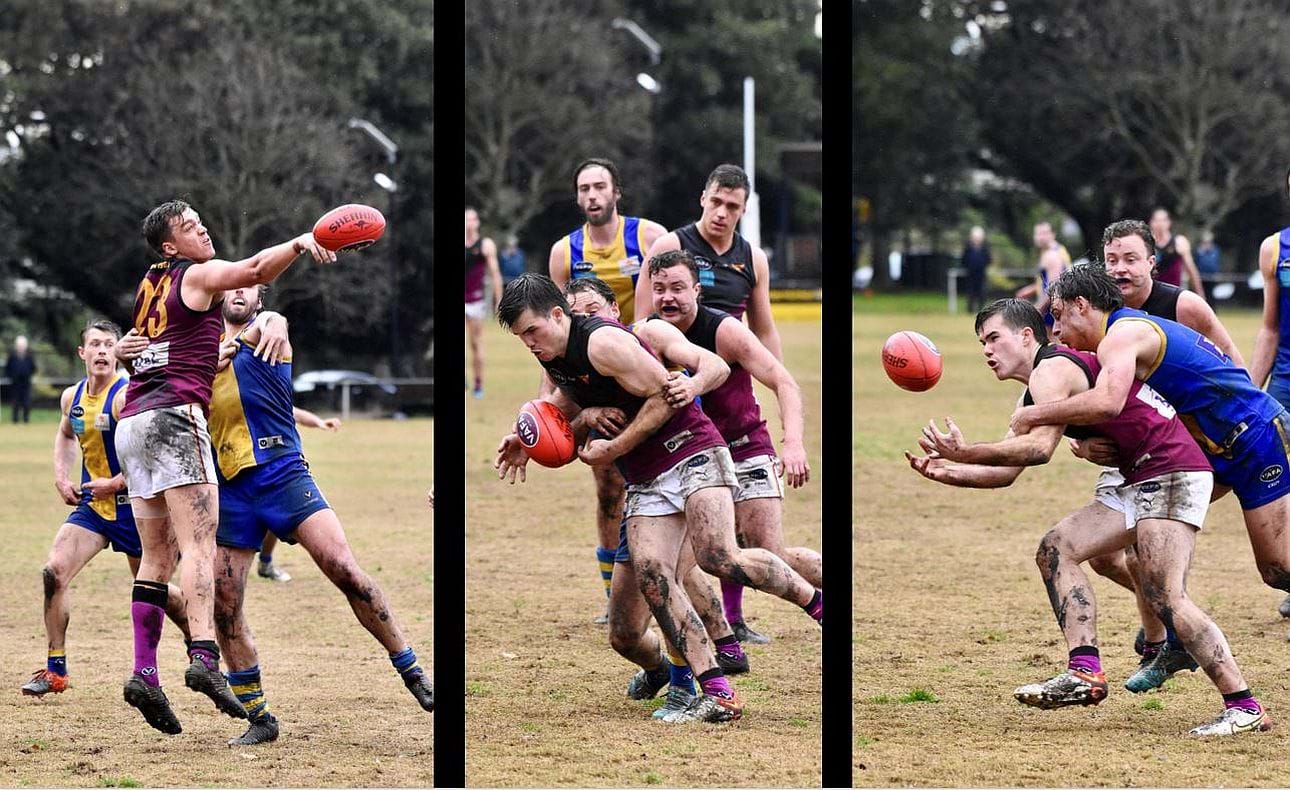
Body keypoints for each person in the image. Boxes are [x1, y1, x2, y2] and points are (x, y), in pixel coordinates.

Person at [909, 298, 1267, 737]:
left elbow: (1038, 450)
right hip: (1137, 475)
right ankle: (1085, 671)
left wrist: (965, 451)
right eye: (982, 342)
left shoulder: (1052, 368)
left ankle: (1244, 705)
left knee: (1166, 596)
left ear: (1027, 336)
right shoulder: (1036, 387)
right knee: (1057, 548)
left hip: (1172, 468)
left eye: (994, 338)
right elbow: (1005, 473)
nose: (987, 350)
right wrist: (949, 471)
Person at [494, 274, 822, 722]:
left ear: (557, 315)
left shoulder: (606, 343)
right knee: (654, 578)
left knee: (719, 556)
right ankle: (718, 693)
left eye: (532, 331)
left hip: (692, 451)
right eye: (520, 337)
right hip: (647, 478)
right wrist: (527, 443)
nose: (529, 343)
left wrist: (616, 446)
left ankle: (817, 604)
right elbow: (566, 417)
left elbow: (666, 397)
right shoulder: (556, 359)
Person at [119, 284, 433, 745]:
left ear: (261, 299)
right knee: (226, 606)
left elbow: (273, 326)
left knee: (344, 569)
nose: (240, 293)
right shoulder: (195, 349)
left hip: (283, 473)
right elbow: (154, 382)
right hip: (228, 487)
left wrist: (267, 325)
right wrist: (133, 354)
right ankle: (260, 717)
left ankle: (411, 669)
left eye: (251, 288)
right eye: (234, 287)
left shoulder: (268, 329)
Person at [113, 199, 334, 735]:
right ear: (172, 246)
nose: (202, 229)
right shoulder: (198, 275)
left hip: (133, 423)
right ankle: (206, 659)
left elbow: (158, 351)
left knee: (155, 558)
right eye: (190, 227)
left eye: (201, 221)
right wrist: (302, 242)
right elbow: (255, 271)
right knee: (200, 547)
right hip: (174, 419)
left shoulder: (150, 284)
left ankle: (145, 673)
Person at [1010, 266, 1290, 665]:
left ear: (1081, 305)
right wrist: (1090, 444)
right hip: (1209, 448)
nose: (1054, 328)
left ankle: (1174, 627)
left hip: (1254, 437)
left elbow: (1109, 402)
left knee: (1278, 569)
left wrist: (1036, 414)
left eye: (1057, 314)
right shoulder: (1118, 336)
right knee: (1135, 542)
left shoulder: (1120, 336)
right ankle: (1174, 636)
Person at [560, 276, 751, 721]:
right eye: (577, 316)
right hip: (642, 491)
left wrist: (692, 383)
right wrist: (579, 419)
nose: (586, 322)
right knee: (624, 633)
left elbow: (710, 368)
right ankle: (674, 666)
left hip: (686, 470)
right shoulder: (572, 367)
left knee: (676, 575)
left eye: (593, 311)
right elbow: (556, 435)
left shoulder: (644, 336)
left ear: (614, 309)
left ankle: (696, 682)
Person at [636, 163, 790, 642]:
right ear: (703, 197)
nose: (723, 213)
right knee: (691, 533)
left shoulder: (752, 259)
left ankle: (734, 620)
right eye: (717, 202)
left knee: (739, 535)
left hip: (730, 394)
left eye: (734, 207)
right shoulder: (671, 247)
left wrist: (778, 382)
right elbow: (644, 319)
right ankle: (710, 628)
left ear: (744, 210)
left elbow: (761, 328)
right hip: (682, 399)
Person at [20, 320, 190, 698]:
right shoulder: (73, 397)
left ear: (117, 352)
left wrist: (115, 482)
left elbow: (151, 450)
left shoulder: (125, 395)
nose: (100, 351)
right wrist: (62, 476)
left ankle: (199, 640)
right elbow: (65, 433)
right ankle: (55, 670)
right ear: (81, 353)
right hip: (94, 508)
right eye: (93, 344)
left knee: (155, 590)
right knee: (54, 571)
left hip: (136, 506)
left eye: (108, 345)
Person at [646, 251, 820, 589]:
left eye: (678, 288)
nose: (667, 297)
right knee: (688, 562)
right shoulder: (649, 335)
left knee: (766, 550)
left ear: (696, 289)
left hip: (743, 447)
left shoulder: (724, 330)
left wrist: (794, 444)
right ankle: (724, 635)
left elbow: (784, 382)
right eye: (659, 289)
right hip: (690, 457)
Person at [547, 158, 667, 622]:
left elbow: (656, 310)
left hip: (641, 364)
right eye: (584, 188)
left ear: (618, 192)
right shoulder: (564, 251)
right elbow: (555, 335)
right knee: (607, 485)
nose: (592, 195)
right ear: (577, 197)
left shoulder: (648, 238)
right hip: (591, 379)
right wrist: (551, 399)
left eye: (600, 186)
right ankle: (611, 596)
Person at [254, 406, 343, 584]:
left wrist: (319, 422)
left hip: (274, 469)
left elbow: (295, 413)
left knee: (275, 517)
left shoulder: (269, 398)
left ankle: (265, 562)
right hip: (239, 470)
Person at [465, 207, 503, 399]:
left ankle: (478, 385)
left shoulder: (485, 245)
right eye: (466, 220)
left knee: (475, 343)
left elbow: (494, 274)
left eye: (472, 219)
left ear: (477, 222)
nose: (469, 223)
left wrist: (499, 299)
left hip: (475, 301)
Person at [1014, 221, 1071, 328]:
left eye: (1044, 233)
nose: (1041, 237)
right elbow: (1049, 280)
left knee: (1052, 341)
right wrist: (1032, 289)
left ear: (1053, 234)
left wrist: (1039, 309)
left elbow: (1053, 287)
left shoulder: (1052, 255)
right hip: (1053, 306)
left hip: (1052, 309)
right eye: (1038, 233)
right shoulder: (1052, 251)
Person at [1149, 208, 1205, 295]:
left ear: (1169, 222)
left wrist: (1200, 294)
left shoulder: (1179, 242)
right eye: (1156, 220)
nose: (1160, 224)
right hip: (1152, 293)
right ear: (1151, 223)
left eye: (1163, 220)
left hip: (1174, 293)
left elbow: (1191, 270)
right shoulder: (1147, 244)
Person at [960, 226, 992, 313]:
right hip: (970, 274)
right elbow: (964, 260)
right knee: (970, 292)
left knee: (982, 292)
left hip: (981, 274)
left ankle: (981, 310)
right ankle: (969, 310)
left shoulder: (985, 248)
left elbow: (988, 259)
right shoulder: (968, 248)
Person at [6, 335, 36, 423]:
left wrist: (28, 375)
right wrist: (11, 376)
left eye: (22, 345)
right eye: (19, 345)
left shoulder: (29, 356)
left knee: (26, 402)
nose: (21, 347)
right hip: (15, 383)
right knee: (15, 402)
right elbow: (8, 368)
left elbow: (33, 368)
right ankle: (15, 420)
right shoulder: (12, 356)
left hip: (26, 383)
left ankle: (26, 419)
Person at [1194, 230, 1221, 305]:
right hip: (1201, 277)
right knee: (1201, 295)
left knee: (1211, 296)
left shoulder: (1215, 250)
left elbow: (1217, 262)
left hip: (1212, 277)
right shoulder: (1199, 251)